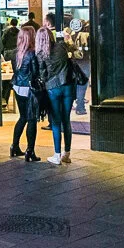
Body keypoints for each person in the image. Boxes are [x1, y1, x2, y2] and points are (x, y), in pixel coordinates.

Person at [37, 27, 74, 165]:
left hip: (53, 88)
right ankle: (67, 154)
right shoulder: (61, 47)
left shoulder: (41, 53)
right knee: (66, 120)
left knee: (56, 122)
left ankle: (57, 155)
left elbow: (42, 74)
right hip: (68, 86)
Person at [10, 27, 41, 162]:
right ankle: (30, 151)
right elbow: (35, 73)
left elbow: (14, 69)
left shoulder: (14, 53)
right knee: (32, 119)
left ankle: (14, 146)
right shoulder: (32, 53)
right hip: (29, 88)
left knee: (22, 117)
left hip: (17, 86)